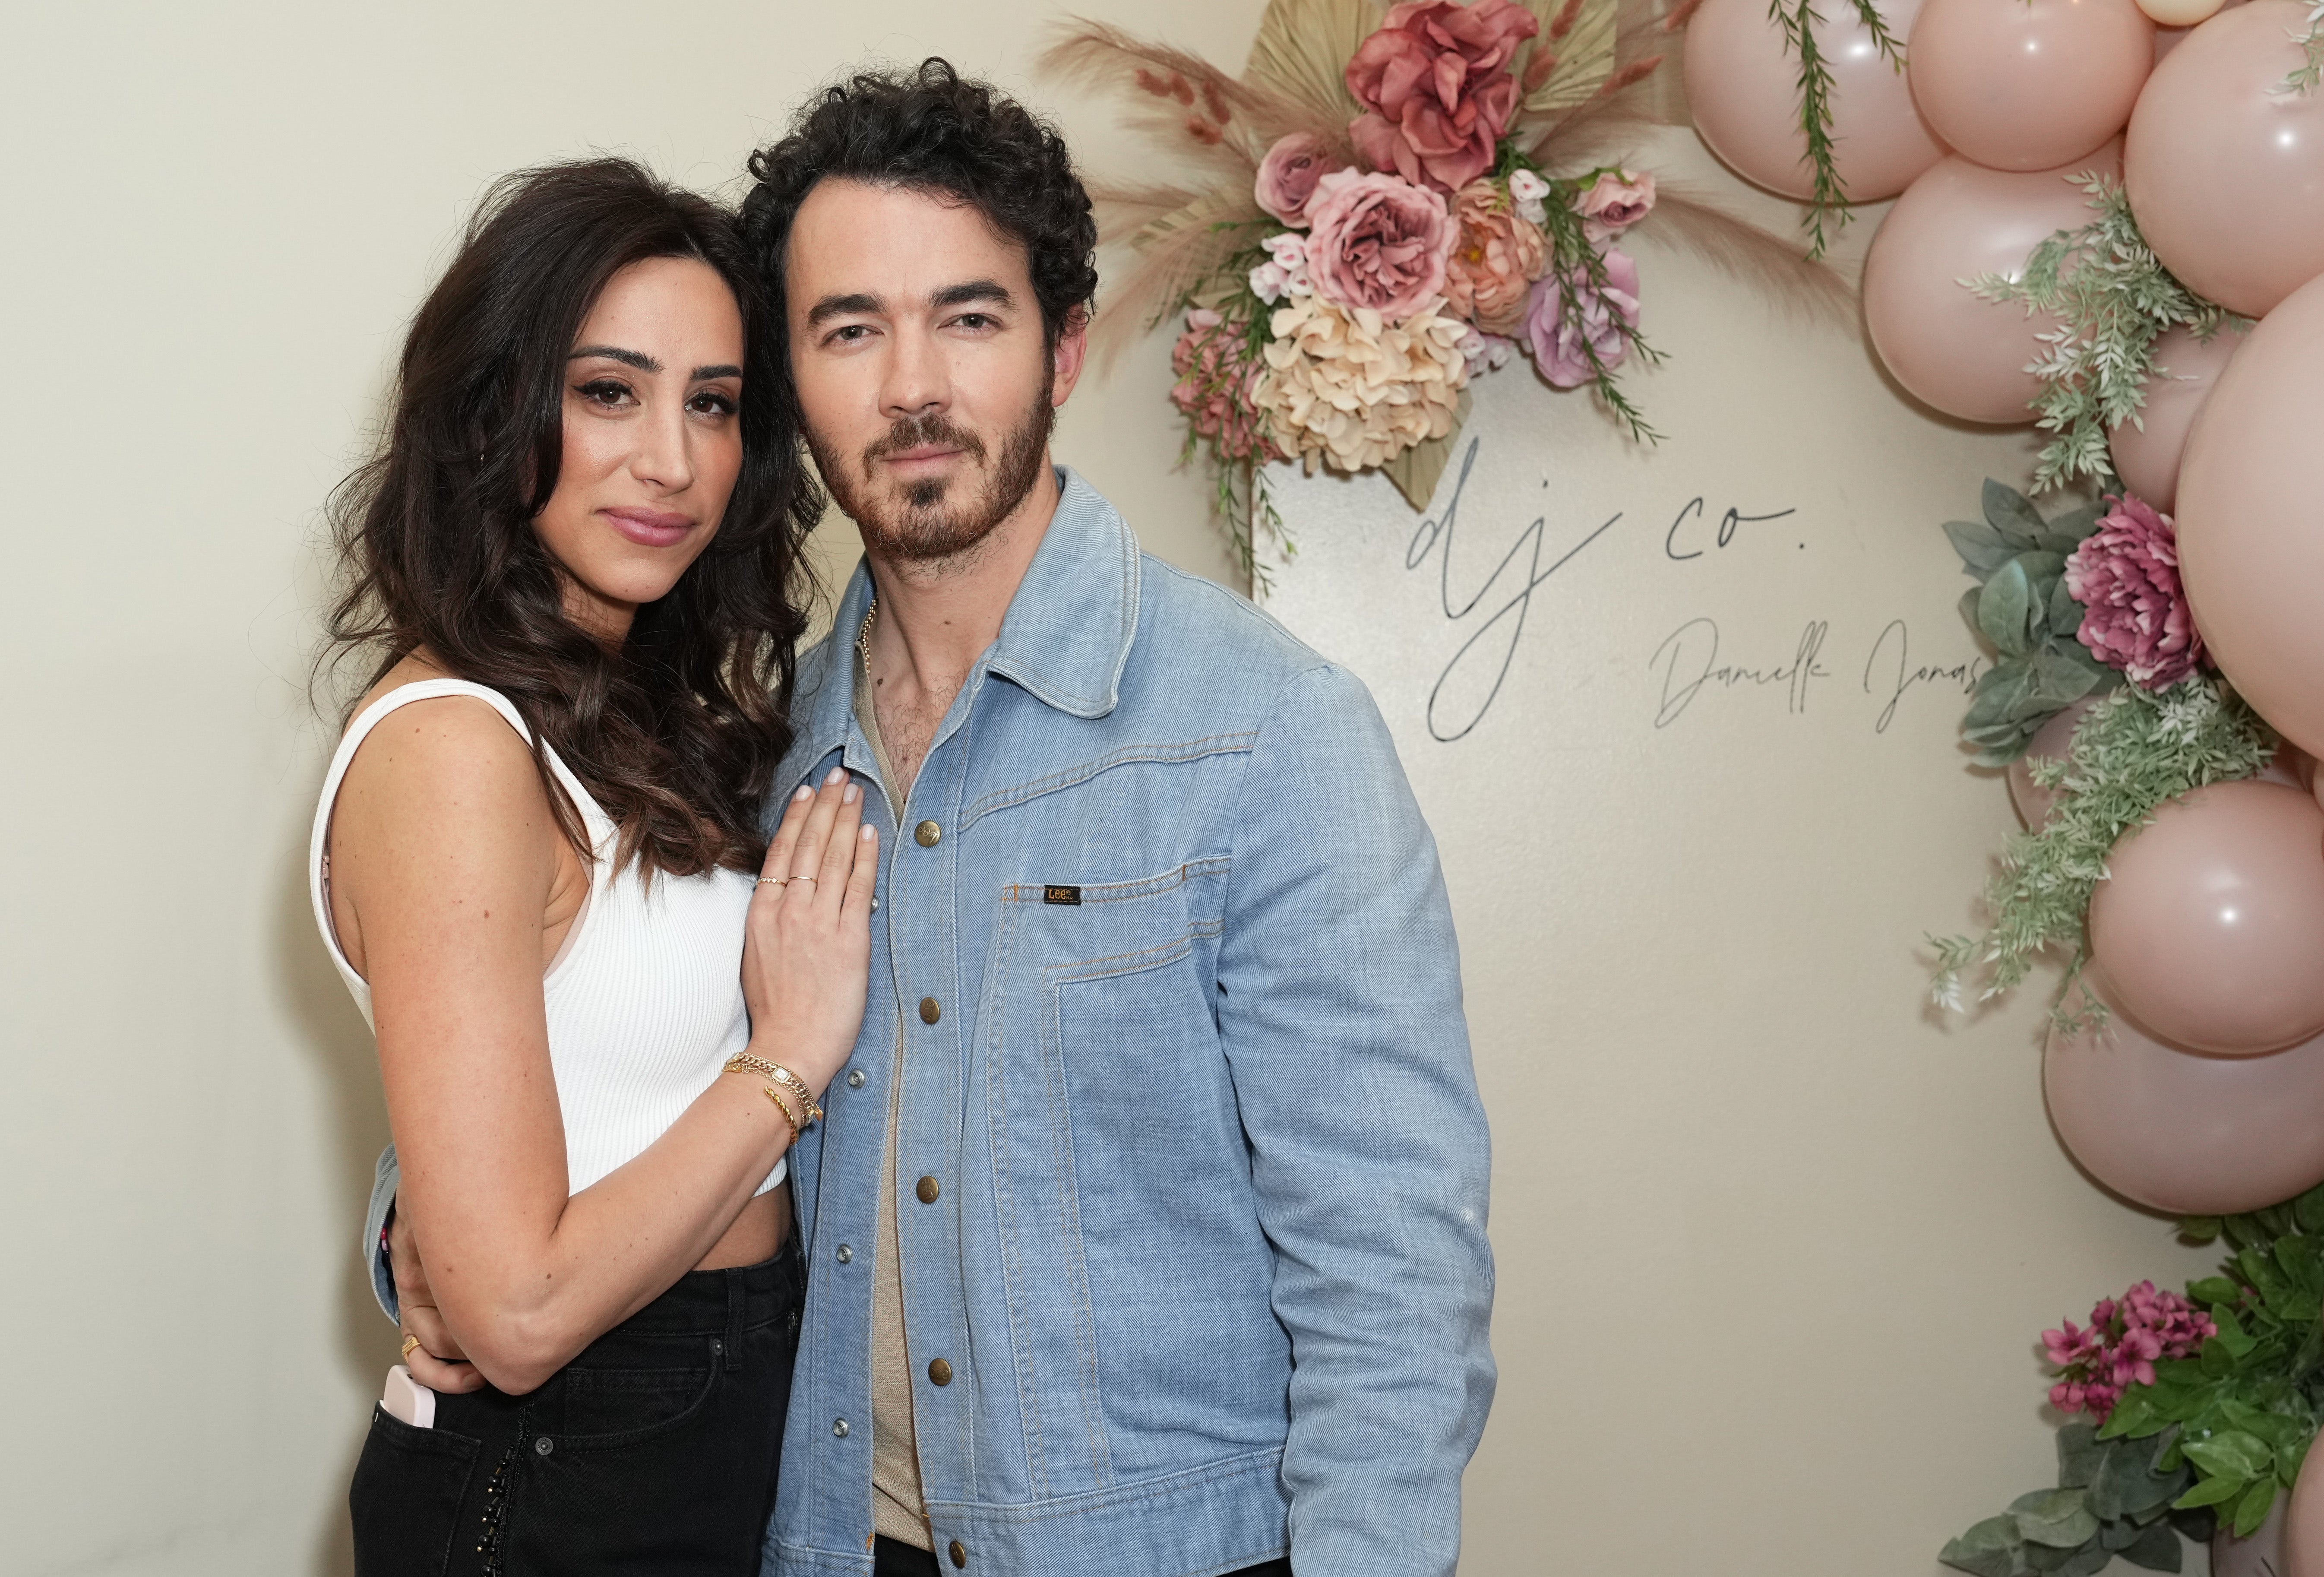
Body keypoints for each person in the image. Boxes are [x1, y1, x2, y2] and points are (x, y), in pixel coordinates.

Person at [378, 63, 1496, 1577]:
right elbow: (577, 1029)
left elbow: (1392, 1283)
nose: (912, 387)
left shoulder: (1262, 729)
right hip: (816, 1541)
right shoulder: (751, 752)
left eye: (969, 317)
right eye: (850, 329)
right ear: (793, 381)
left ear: (1062, 351)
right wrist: (416, 1235)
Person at [316, 158, 876, 1576]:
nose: (672, 461)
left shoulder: (650, 713)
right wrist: (791, 1058)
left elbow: (572, 1066)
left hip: (709, 1418)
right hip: (566, 1464)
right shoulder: (452, 744)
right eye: (609, 391)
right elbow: (513, 1310)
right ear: (500, 408)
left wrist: (412, 1218)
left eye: (712, 403)